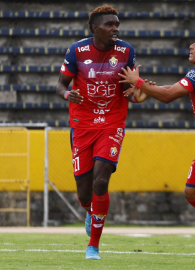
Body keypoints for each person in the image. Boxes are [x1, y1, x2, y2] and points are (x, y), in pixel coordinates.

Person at [118, 30, 195, 265]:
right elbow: (169, 90)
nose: (191, 46)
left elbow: (167, 95)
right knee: (192, 192)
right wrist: (147, 90)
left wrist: (139, 82)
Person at [56, 5, 147, 260]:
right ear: (95, 29)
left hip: (112, 122)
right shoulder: (77, 51)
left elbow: (133, 86)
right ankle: (90, 210)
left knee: (101, 180)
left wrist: (136, 90)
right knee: (85, 193)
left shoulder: (126, 51)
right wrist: (67, 94)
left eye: (117, 24)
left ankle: (93, 246)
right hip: (82, 125)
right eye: (109, 25)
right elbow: (60, 84)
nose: (115, 28)